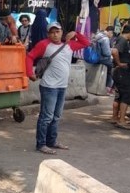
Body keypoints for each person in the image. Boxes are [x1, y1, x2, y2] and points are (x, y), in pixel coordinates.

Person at [25, 22, 90, 154]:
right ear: (48, 34)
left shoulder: (69, 45)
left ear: (62, 32)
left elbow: (86, 43)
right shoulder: (44, 44)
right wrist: (29, 73)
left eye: (57, 31)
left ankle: (52, 141)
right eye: (52, 32)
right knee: (46, 117)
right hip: (49, 86)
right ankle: (41, 144)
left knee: (56, 116)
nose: (55, 34)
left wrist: (76, 34)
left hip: (62, 86)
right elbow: (30, 56)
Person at [110, 25, 130, 130]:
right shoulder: (123, 40)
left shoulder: (122, 41)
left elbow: (128, 54)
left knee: (119, 95)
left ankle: (115, 117)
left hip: (118, 72)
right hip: (121, 72)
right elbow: (114, 51)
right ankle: (122, 121)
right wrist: (119, 63)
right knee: (127, 94)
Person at [95, 25, 115, 92]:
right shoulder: (105, 39)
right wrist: (111, 51)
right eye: (112, 33)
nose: (112, 35)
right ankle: (108, 87)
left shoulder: (97, 35)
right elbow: (106, 53)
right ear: (110, 32)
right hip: (102, 59)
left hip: (95, 57)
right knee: (111, 68)